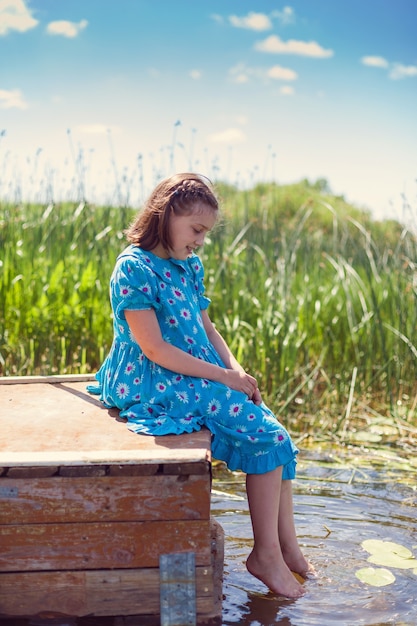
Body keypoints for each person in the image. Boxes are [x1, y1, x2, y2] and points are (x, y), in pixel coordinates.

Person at [88, 172, 311, 598]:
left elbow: (208, 329)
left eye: (205, 233)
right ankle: (265, 555)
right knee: (263, 435)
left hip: (193, 372)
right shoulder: (134, 268)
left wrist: (237, 371)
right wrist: (221, 377)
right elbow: (153, 349)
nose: (200, 241)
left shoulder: (188, 265)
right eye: (196, 230)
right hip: (151, 380)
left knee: (271, 426)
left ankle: (287, 548)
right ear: (166, 214)